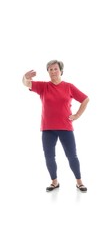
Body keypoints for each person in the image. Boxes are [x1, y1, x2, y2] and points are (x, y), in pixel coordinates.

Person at [22, 60, 90, 192]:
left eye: (55, 69)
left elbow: (85, 99)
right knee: (49, 156)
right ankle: (54, 182)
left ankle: (79, 182)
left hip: (65, 127)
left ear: (61, 71)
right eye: (50, 69)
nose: (53, 71)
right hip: (48, 128)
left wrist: (77, 115)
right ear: (48, 72)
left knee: (72, 156)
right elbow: (26, 83)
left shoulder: (69, 86)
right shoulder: (43, 86)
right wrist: (25, 77)